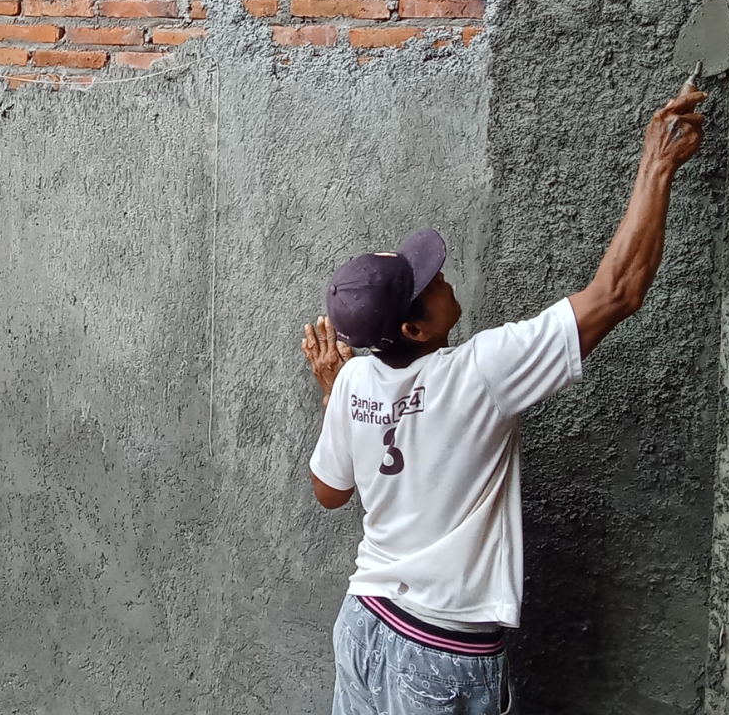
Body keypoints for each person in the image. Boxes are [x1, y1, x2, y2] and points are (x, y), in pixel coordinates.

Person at [301, 81, 706, 714]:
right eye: (429, 283)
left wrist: (337, 398)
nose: (441, 276)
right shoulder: (481, 371)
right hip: (440, 651)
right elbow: (617, 293)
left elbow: (330, 493)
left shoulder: (352, 380)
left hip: (363, 625)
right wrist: (657, 164)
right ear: (415, 329)